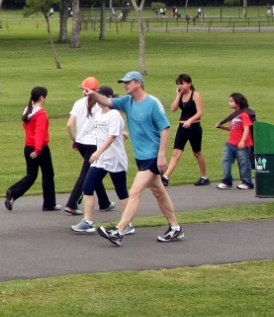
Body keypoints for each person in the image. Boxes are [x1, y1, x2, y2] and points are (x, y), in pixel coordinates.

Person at [94, 71, 184, 245]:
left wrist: (161, 155)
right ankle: (175, 228)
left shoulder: (152, 103)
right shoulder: (127, 102)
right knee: (159, 192)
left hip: (152, 156)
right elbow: (106, 101)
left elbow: (165, 127)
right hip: (141, 157)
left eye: (128, 82)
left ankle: (118, 230)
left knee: (135, 192)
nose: (125, 85)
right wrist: (93, 94)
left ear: (138, 83)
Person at [70, 86, 131, 233]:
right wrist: (123, 133)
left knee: (121, 191)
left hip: (115, 159)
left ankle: (127, 225)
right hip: (101, 160)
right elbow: (105, 132)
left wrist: (97, 152)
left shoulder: (115, 114)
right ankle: (88, 222)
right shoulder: (98, 115)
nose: (98, 100)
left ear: (109, 97)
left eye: (100, 97)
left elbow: (111, 136)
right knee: (88, 187)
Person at [4, 86, 56, 211]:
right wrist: (38, 150)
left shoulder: (28, 110)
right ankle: (49, 204)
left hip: (28, 146)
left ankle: (13, 192)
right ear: (42, 98)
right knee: (48, 174)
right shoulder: (41, 113)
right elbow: (40, 132)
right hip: (39, 148)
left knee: (31, 175)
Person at [61, 75, 101, 218]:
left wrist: (75, 139)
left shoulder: (78, 103)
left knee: (95, 170)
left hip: (82, 142)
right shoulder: (100, 105)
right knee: (87, 174)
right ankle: (72, 203)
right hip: (93, 144)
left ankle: (104, 202)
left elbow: (69, 124)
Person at [163, 73, 211, 187]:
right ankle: (166, 177)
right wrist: (178, 95)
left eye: (182, 84)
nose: (180, 86)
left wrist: (190, 120)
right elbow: (173, 108)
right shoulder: (181, 94)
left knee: (197, 152)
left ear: (189, 84)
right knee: (176, 152)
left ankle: (204, 176)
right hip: (182, 128)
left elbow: (200, 112)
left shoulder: (195, 95)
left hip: (194, 127)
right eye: (179, 84)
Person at [216, 91, 255, 190]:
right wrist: (222, 127)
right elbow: (233, 128)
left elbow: (246, 128)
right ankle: (226, 181)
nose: (229, 103)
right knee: (226, 161)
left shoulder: (244, 115)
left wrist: (242, 141)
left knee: (244, 163)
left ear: (238, 103)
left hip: (242, 145)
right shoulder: (233, 115)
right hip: (231, 143)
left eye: (231, 101)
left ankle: (247, 182)